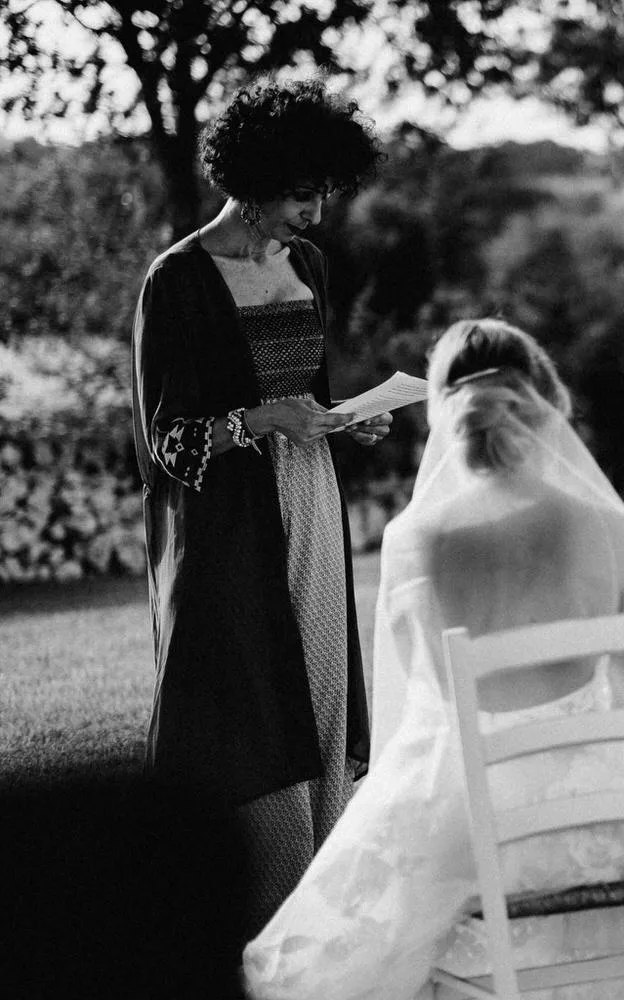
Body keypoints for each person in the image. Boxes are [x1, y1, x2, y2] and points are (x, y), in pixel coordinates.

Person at [242, 319, 624, 1000]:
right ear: (546, 404)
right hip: (608, 815)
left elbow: (426, 711)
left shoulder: (415, 540)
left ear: (446, 416)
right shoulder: (613, 530)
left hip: (479, 824)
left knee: (375, 912)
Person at [130, 78, 389, 939]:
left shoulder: (307, 265)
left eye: (324, 193)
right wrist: (255, 421)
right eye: (301, 192)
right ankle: (254, 921)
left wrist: (346, 420)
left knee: (318, 692)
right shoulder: (178, 281)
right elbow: (167, 440)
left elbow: (304, 393)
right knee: (244, 704)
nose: (314, 214)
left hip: (313, 505)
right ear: (252, 176)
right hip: (230, 530)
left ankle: (319, 921)